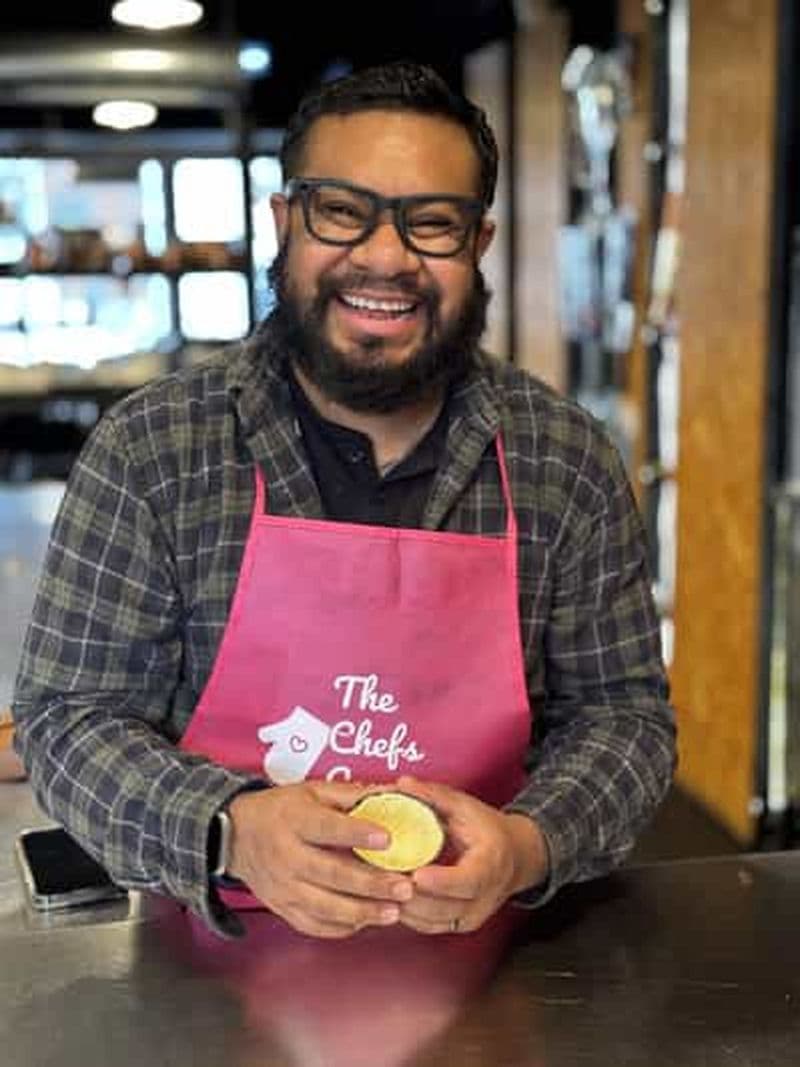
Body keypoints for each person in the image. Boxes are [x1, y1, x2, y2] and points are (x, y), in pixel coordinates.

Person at [12, 61, 675, 940]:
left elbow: (623, 717)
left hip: (494, 952)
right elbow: (67, 718)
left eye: (431, 222)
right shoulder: (154, 451)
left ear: (477, 244)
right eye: (341, 211)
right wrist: (232, 829)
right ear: (285, 222)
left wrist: (525, 845)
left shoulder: (565, 461)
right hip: (211, 951)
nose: (385, 256)